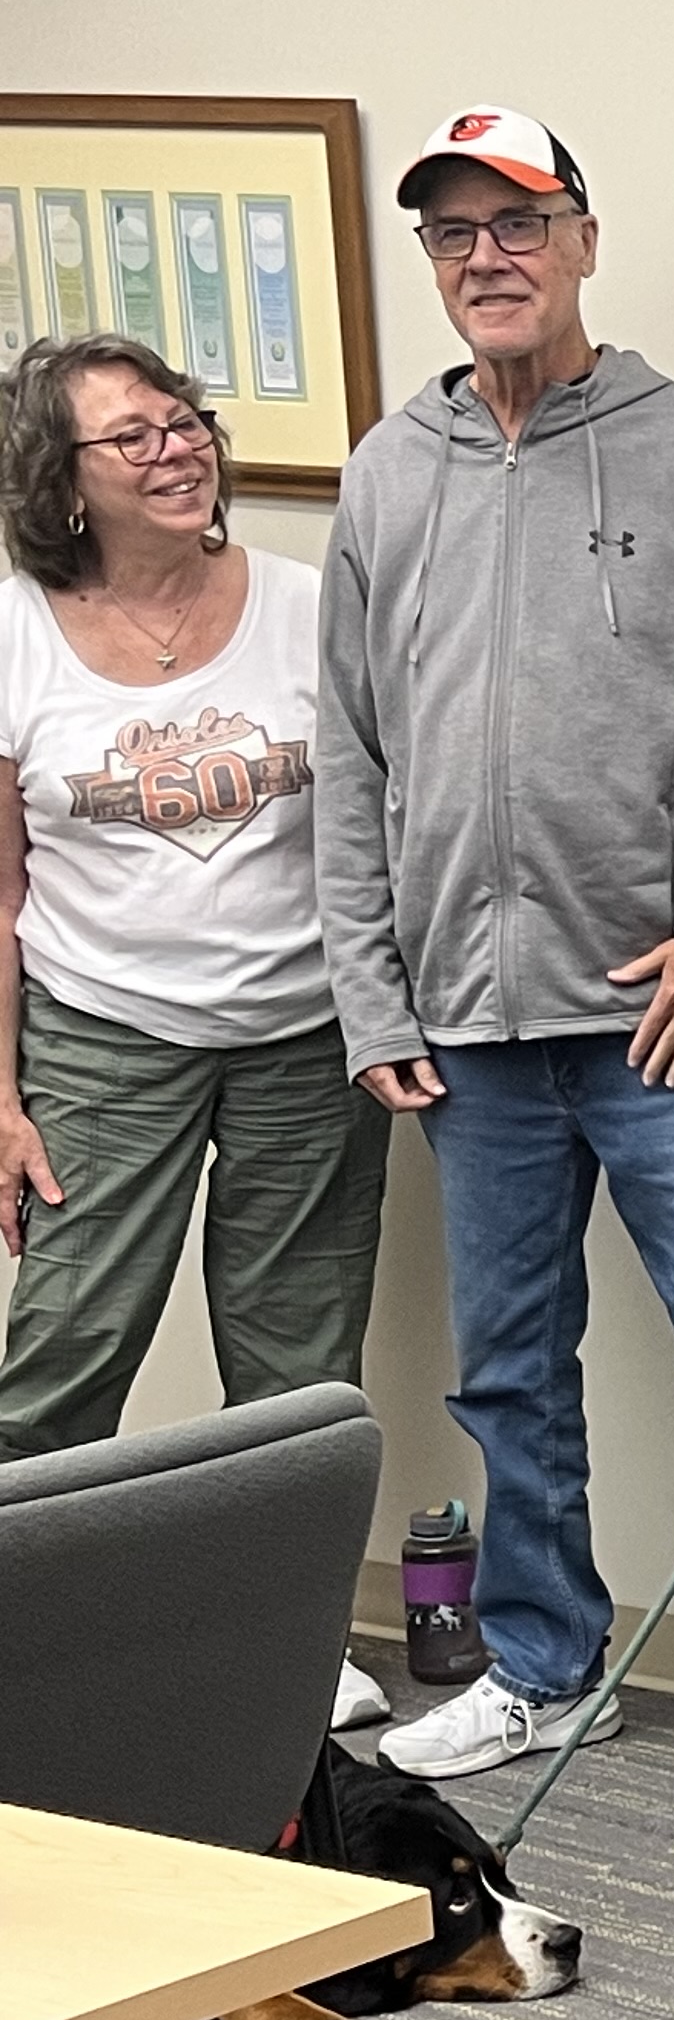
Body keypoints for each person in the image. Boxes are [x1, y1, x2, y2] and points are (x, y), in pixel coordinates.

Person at [316, 107, 674, 1822]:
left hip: (670, 1013)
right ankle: (544, 1665)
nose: (488, 259)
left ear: (585, 239)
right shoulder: (394, 473)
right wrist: (375, 990)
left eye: (518, 224)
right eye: (454, 236)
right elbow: (354, 756)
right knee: (507, 1362)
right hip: (467, 1020)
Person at [0, 337, 393, 1714]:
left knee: (295, 1375)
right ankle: (26, 1638)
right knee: (65, 1355)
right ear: (61, 482)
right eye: (134, 438)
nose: (177, 452)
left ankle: (287, 1649)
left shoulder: (304, 603)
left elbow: (379, 819)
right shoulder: (13, 634)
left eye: (185, 424)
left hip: (304, 1036)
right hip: (104, 1040)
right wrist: (1, 1099)